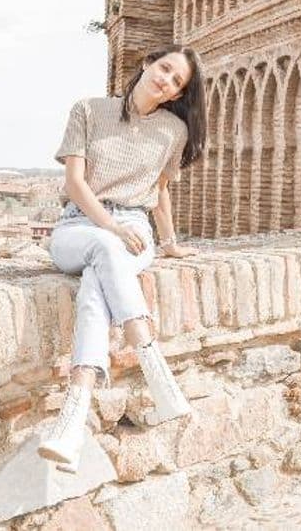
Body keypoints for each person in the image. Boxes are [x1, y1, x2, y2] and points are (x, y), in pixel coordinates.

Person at [37, 44, 206, 472]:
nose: (166, 79)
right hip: (79, 226)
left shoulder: (173, 131)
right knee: (104, 249)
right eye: (164, 68)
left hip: (134, 227)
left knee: (98, 283)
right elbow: (75, 182)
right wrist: (109, 228)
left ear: (174, 95)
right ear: (148, 63)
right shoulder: (89, 111)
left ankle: (73, 417)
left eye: (176, 81)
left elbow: (161, 190)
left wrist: (168, 243)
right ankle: (150, 357)